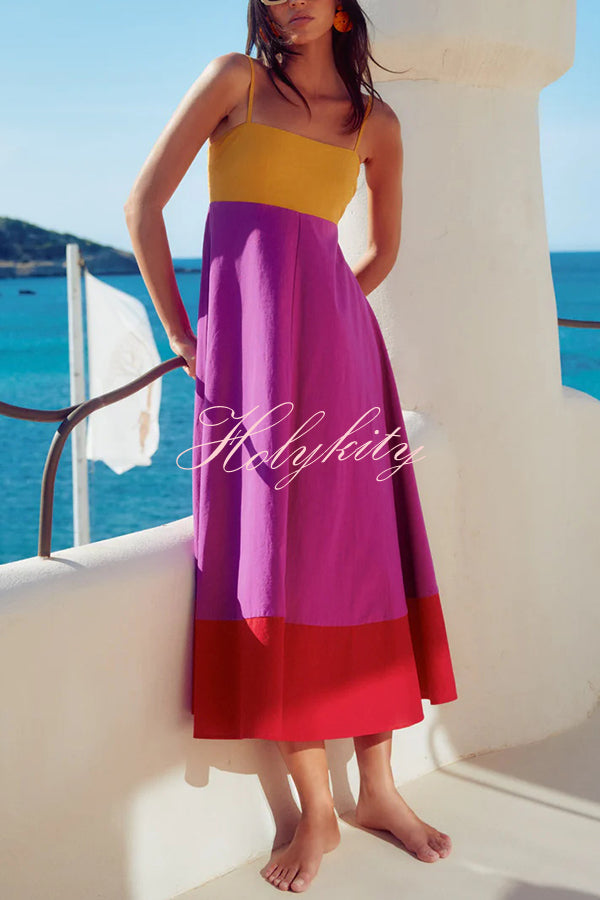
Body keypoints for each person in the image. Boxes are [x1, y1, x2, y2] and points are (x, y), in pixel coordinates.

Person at [124, 0, 458, 893]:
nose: (288, 1)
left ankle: (378, 790)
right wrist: (188, 336)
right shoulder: (233, 82)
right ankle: (318, 808)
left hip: (342, 363)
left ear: (345, 11)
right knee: (276, 564)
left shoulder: (377, 125)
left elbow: (380, 251)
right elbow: (143, 206)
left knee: (364, 560)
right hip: (248, 371)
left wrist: (322, 314)